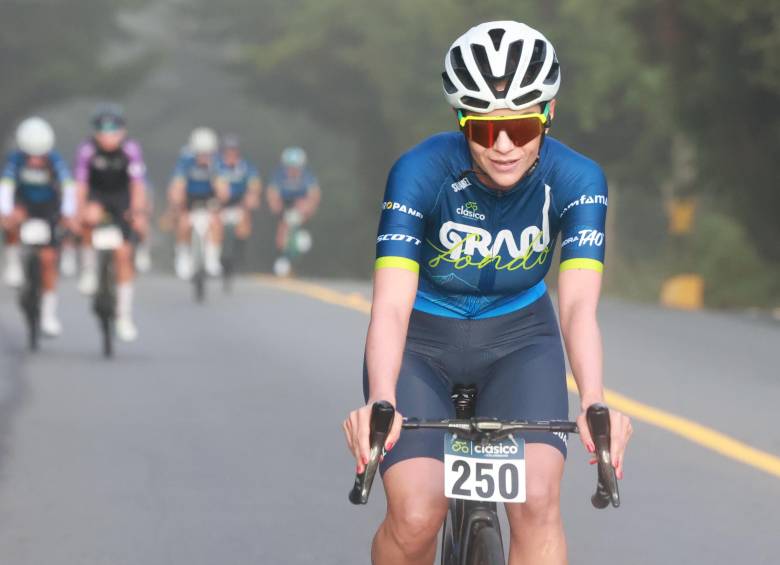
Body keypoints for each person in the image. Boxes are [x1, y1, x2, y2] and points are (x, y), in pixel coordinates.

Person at [343, 21, 633, 565]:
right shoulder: (418, 172)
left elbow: (576, 307)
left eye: (521, 128)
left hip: (521, 340)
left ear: (547, 116)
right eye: (482, 130)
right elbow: (390, 305)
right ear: (461, 123)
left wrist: (594, 399)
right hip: (421, 345)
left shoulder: (578, 179)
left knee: (538, 502)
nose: (502, 146)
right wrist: (381, 398)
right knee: (415, 515)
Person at [74, 103, 148, 341]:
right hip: (96, 196)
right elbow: (81, 185)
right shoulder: (86, 150)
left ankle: (124, 316)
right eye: (103, 131)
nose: (108, 137)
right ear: (95, 132)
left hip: (121, 200)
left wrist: (137, 212)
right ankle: (88, 270)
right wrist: (79, 211)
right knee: (90, 218)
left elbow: (138, 184)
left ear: (123, 131)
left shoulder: (131, 150)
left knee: (124, 255)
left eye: (114, 130)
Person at [0, 117, 76, 336]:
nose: (34, 160)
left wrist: (68, 213)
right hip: (23, 206)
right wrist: (5, 212)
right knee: (13, 221)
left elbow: (67, 186)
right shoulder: (15, 159)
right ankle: (12, 262)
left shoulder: (54, 160)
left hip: (48, 209)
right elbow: (6, 185)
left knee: (48, 261)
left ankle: (48, 315)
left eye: (39, 155)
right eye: (30, 155)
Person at [167, 127, 221, 279]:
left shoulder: (216, 162)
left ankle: (212, 257)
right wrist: (177, 201)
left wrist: (217, 181)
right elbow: (177, 183)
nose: (204, 156)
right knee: (184, 223)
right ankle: (182, 257)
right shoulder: (185, 160)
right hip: (189, 198)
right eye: (200, 153)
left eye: (207, 153)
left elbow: (223, 189)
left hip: (209, 198)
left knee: (216, 222)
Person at [266, 146, 320, 258]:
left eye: (296, 167)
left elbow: (314, 196)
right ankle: (283, 256)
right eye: (290, 166)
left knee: (302, 205)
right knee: (283, 231)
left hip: (301, 209)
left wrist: (307, 211)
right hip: (284, 207)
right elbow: (272, 194)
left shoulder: (308, 177)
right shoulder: (278, 176)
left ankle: (297, 242)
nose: (293, 170)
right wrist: (279, 209)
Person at [215, 134, 262, 243]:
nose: (231, 153)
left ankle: (239, 248)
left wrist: (252, 193)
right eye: (228, 149)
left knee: (246, 218)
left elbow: (255, 183)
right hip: (218, 204)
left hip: (239, 203)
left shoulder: (246, 166)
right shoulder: (216, 164)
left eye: (233, 149)